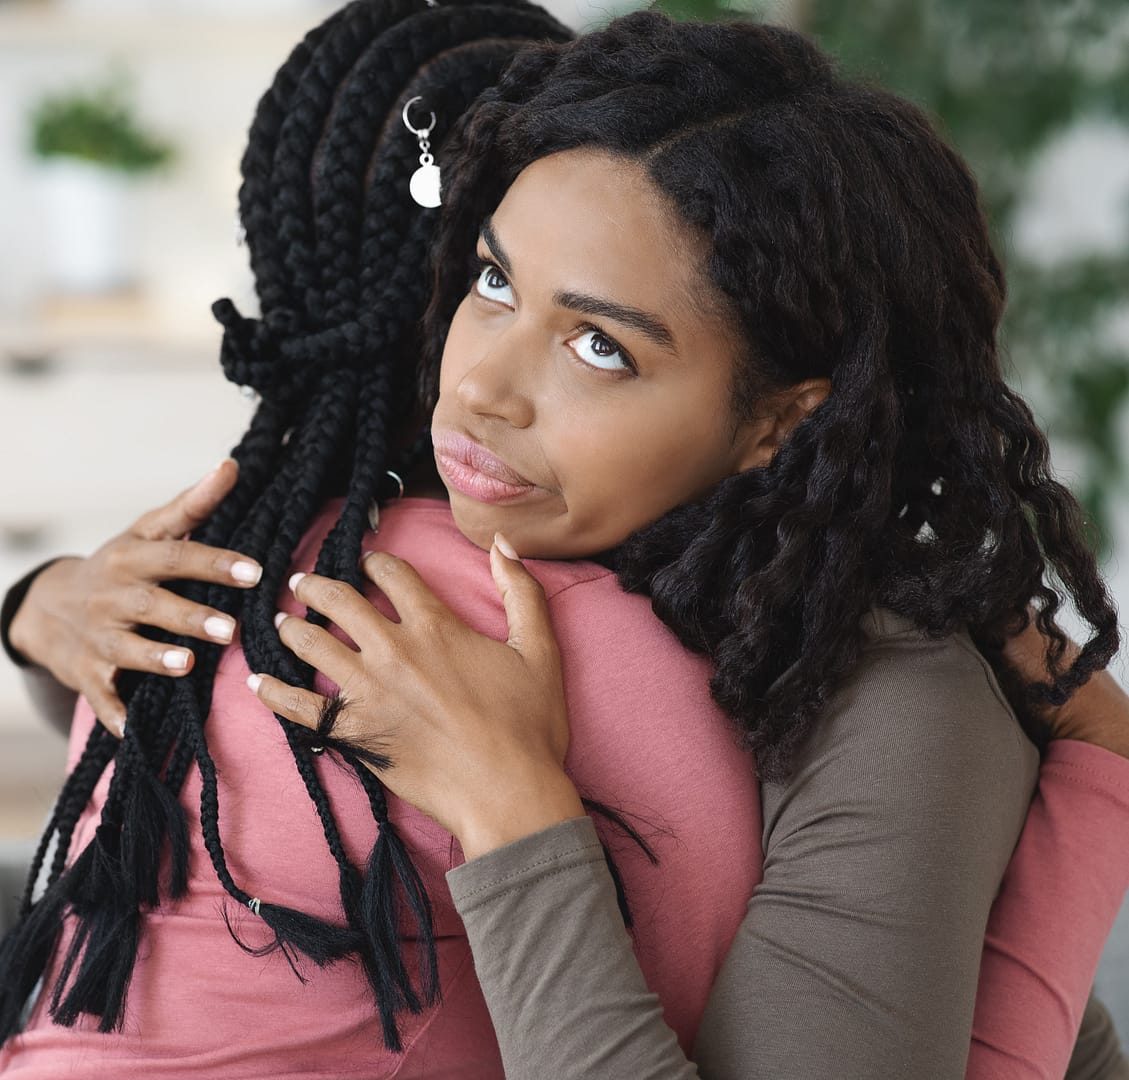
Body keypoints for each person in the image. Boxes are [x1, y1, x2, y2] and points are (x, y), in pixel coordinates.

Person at [1, 1, 1128, 1076]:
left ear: (784, 418)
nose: (479, 385)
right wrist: (43, 609)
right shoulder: (370, 533)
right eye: (492, 281)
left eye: (600, 348)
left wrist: (511, 808)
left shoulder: (895, 696)